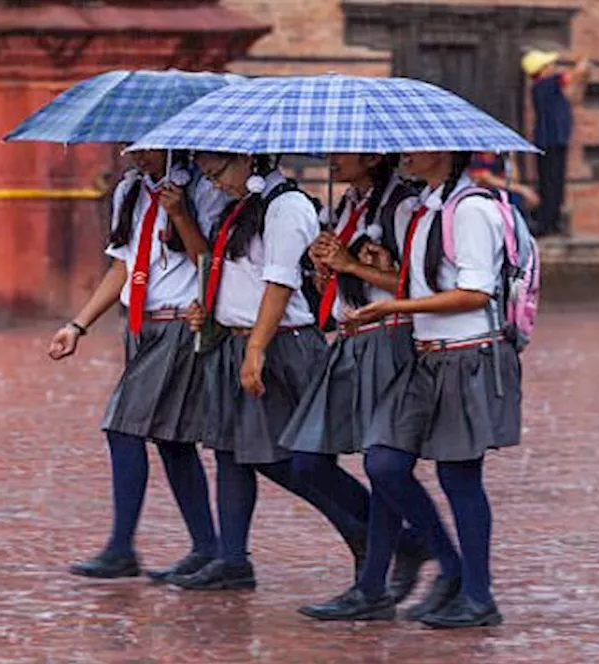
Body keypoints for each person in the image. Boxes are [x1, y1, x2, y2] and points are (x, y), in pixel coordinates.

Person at [334, 150, 522, 629]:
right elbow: (420, 280)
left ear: (442, 152)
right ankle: (451, 567)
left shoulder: (471, 210)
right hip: (427, 352)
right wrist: (364, 268)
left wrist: (390, 306)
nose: (404, 155)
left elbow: (475, 293)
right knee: (385, 461)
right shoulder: (425, 209)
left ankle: (478, 597)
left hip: (466, 352)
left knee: (460, 475)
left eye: (415, 148)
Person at [174, 153, 379, 592]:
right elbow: (230, 271)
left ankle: (370, 530)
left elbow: (280, 283)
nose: (215, 183)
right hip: (235, 339)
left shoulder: (286, 206)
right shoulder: (239, 206)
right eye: (207, 175)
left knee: (283, 458)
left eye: (217, 173)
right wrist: (210, 309)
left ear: (246, 160)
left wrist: (256, 349)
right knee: (230, 451)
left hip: (279, 344)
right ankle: (232, 558)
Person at [48, 149, 224, 583]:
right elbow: (122, 266)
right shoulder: (130, 190)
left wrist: (180, 214)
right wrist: (79, 324)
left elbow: (210, 260)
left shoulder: (200, 188)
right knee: (172, 440)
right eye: (130, 145)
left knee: (123, 428)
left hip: (182, 322)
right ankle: (208, 547)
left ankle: (122, 547)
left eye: (146, 146)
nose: (135, 153)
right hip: (142, 326)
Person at [279, 153, 432, 618]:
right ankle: (405, 544)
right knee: (306, 460)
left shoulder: (404, 207)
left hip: (391, 339)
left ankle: (372, 587)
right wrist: (327, 267)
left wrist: (353, 266)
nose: (330, 160)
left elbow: (419, 287)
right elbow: (345, 275)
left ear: (370, 157)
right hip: (351, 341)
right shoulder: (348, 206)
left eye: (340, 154)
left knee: (379, 462)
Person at [523, 49, 591, 237]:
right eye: (549, 65)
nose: (553, 68)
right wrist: (582, 63)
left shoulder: (551, 88)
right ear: (542, 70)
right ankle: (545, 222)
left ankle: (553, 221)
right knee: (549, 183)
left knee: (557, 183)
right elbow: (573, 75)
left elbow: (575, 96)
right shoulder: (544, 85)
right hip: (548, 140)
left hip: (557, 139)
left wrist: (583, 76)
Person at [468, 152, 539, 216]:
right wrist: (523, 190)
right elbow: (487, 179)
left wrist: (512, 157)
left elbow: (514, 180)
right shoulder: (476, 157)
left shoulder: (499, 156)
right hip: (479, 197)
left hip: (499, 196)